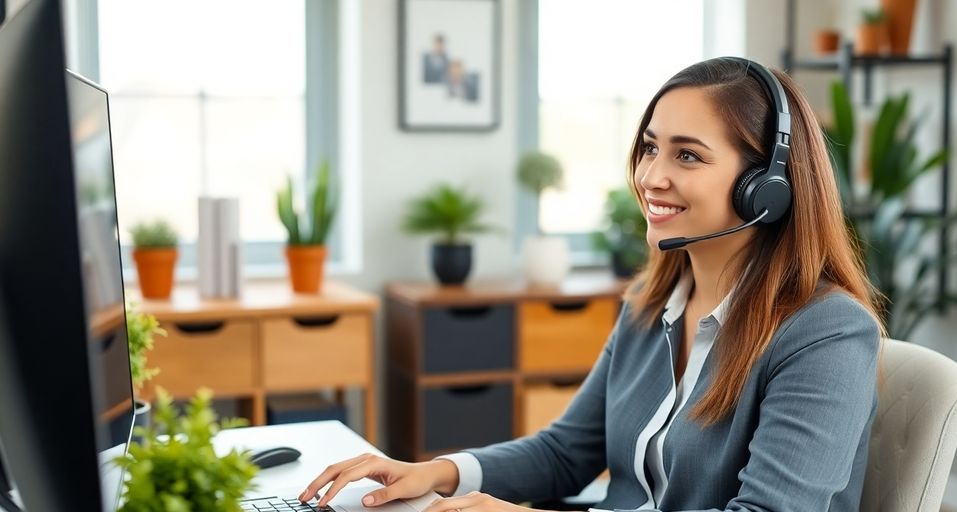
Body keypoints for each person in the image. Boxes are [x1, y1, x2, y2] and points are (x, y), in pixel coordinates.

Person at [299, 56, 885, 512]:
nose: (651, 177)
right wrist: (434, 473)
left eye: (688, 156)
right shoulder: (648, 306)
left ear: (767, 187)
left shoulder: (825, 333)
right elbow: (565, 452)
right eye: (651, 148)